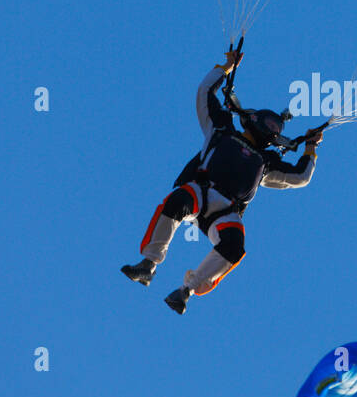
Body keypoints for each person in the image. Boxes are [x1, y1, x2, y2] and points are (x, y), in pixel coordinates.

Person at [121, 47, 323, 313]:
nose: (273, 129)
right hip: (201, 192)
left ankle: (186, 291)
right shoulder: (221, 129)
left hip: (227, 210)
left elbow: (300, 177)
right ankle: (148, 264)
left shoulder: (267, 162)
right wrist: (226, 67)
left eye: (277, 129)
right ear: (254, 118)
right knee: (178, 200)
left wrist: (310, 148)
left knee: (235, 246)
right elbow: (205, 92)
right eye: (270, 123)